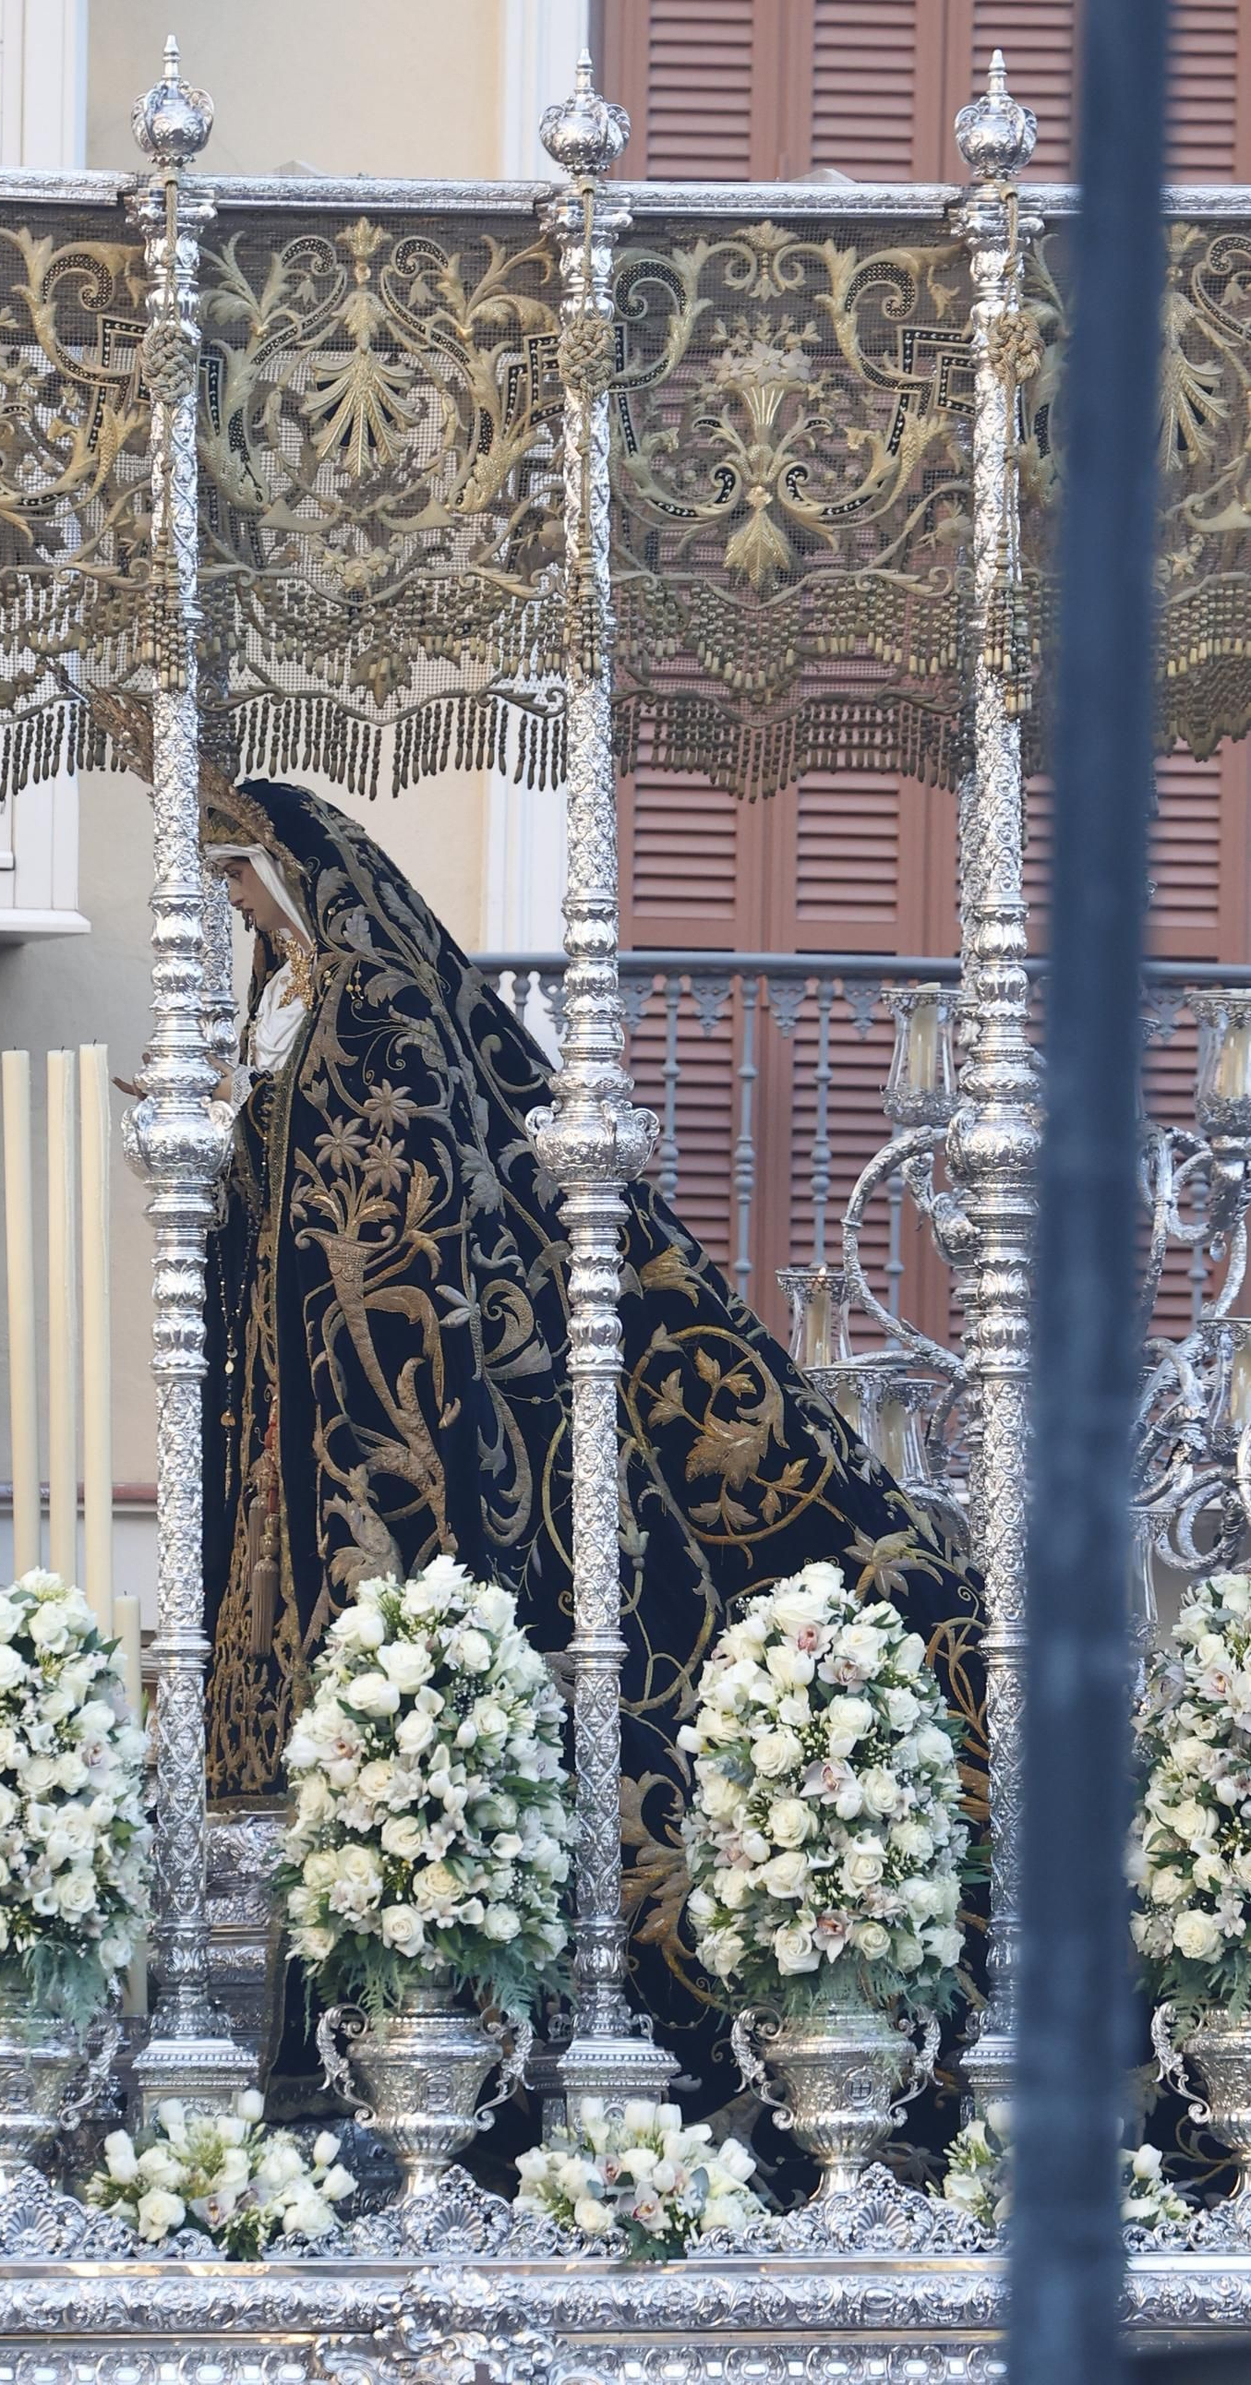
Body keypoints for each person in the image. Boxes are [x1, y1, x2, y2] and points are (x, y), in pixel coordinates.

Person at [200, 771, 986, 2090]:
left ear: (298, 872)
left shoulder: (364, 1007)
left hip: (418, 1404)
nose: (233, 905)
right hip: (324, 1397)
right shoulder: (293, 1011)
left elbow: (406, 1195)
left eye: (239, 876)